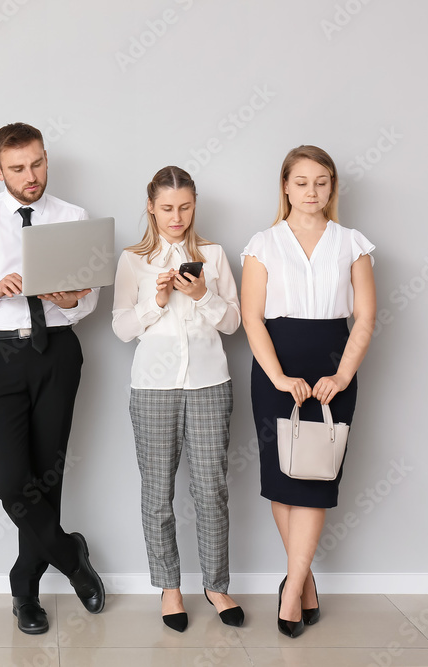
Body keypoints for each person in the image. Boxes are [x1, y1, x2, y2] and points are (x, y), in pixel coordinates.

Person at [0, 122, 104, 636]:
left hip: (57, 351)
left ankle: (25, 591)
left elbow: (90, 298)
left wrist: (71, 299)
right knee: (11, 481)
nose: (30, 176)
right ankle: (69, 555)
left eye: (37, 164)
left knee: (46, 474)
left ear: (45, 158)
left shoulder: (73, 217)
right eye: (17, 168)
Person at [241, 145, 375, 638]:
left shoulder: (351, 242)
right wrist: (278, 377)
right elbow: (252, 318)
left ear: (331, 187)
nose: (312, 191)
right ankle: (305, 581)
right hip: (277, 368)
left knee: (316, 477)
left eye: (321, 182)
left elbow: (364, 318)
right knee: (283, 478)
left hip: (332, 367)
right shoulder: (263, 243)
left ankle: (292, 587)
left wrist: (341, 376)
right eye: (302, 182)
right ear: (285, 187)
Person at [111, 166, 245, 632]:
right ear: (151, 206)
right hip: (152, 389)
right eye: (167, 208)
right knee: (157, 492)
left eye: (185, 207)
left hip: (210, 383)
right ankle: (170, 588)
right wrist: (156, 302)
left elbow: (232, 323)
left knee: (212, 489)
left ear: (194, 205)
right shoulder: (132, 260)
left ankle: (216, 584)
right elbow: (121, 327)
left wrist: (204, 294)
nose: (176, 217)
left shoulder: (213, 254)